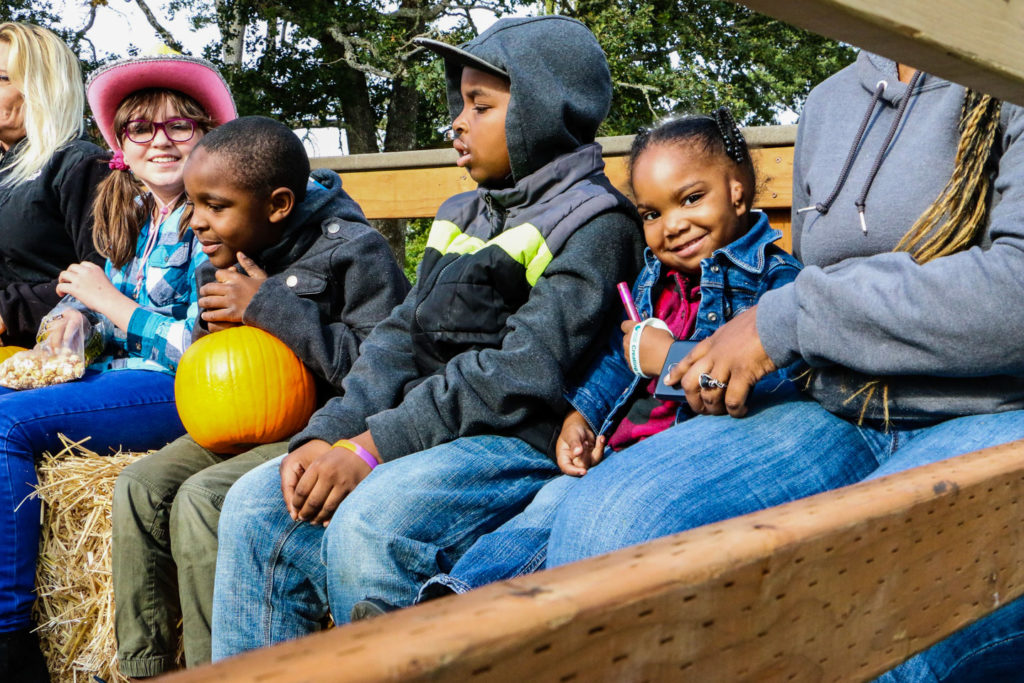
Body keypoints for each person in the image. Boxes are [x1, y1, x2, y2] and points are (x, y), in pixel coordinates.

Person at [543, 52, 1024, 680]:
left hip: (990, 405)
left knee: (883, 604)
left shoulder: (1007, 66)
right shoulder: (827, 103)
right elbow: (811, 281)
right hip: (837, 403)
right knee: (606, 527)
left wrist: (789, 320)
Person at [210, 15, 646, 658]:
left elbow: (521, 372)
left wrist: (373, 448)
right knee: (255, 504)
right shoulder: (461, 213)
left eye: (481, 105)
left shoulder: (596, 224)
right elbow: (395, 339)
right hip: (429, 429)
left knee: (372, 522)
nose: (457, 122)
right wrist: (331, 432)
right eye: (458, 102)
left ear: (542, 111)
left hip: (516, 437)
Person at [406, 110, 803, 604]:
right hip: (616, 451)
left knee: (585, 519)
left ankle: (476, 620)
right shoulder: (654, 280)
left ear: (737, 190)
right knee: (546, 509)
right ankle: (452, 605)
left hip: (684, 459)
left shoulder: (776, 285)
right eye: (652, 214)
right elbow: (618, 360)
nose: (672, 226)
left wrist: (672, 358)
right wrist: (582, 415)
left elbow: (776, 384)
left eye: (691, 199)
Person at [110, 115, 409, 676]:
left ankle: (209, 669)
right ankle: (145, 665)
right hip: (247, 424)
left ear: (276, 205)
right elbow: (217, 374)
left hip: (322, 428)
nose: (197, 222)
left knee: (203, 499)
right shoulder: (221, 258)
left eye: (215, 206)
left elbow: (382, 370)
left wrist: (268, 307)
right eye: (193, 205)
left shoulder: (354, 253)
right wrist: (213, 332)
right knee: (140, 485)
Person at [0, 51, 235, 682]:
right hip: (126, 378)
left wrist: (117, 307)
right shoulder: (135, 216)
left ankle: (9, 635)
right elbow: (104, 315)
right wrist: (77, 322)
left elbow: (210, 348)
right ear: (120, 147)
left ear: (209, 136)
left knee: (4, 424)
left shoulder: (219, 216)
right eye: (140, 129)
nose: (159, 141)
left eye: (180, 126)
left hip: (190, 390)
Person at [0, 22, 109, 347]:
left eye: (2, 78)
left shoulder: (80, 163)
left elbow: (106, 273)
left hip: (51, 357)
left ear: (42, 87)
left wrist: (10, 311)